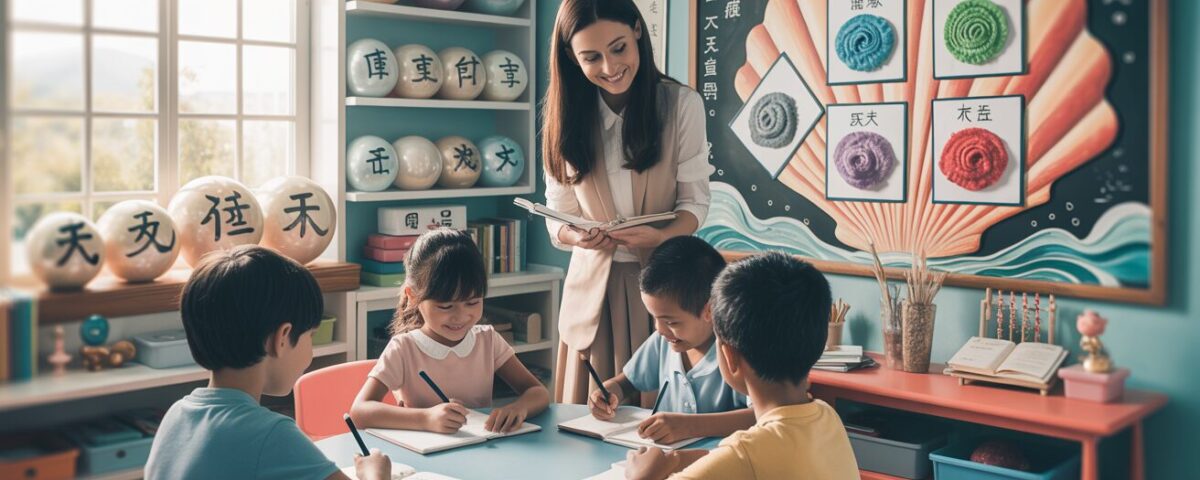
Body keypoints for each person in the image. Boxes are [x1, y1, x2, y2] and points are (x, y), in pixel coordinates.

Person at [543, 0, 715, 405]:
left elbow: (695, 206)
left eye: (619, 48)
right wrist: (576, 235)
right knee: (587, 424)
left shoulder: (680, 106)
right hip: (591, 299)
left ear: (638, 30)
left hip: (661, 292)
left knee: (656, 426)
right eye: (591, 57)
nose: (609, 66)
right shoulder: (564, 116)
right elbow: (557, 214)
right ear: (572, 56)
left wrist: (657, 236)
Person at [145, 245, 390, 480]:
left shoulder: (175, 415)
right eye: (310, 337)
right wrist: (374, 473)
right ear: (282, 338)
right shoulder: (271, 434)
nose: (310, 353)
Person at [624, 253, 860, 479]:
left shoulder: (744, 454)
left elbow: (742, 460)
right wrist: (677, 460)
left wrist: (641, 476)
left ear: (730, 356)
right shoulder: (828, 418)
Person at [350, 229, 549, 434]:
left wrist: (518, 408)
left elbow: (537, 392)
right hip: (425, 458)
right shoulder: (404, 349)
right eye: (445, 307)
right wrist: (426, 418)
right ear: (413, 296)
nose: (460, 317)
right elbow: (360, 411)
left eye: (472, 303)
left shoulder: (488, 340)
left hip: (481, 451)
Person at [588, 236, 754, 444]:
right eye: (654, 318)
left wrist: (689, 426)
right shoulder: (663, 341)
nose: (659, 329)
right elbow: (628, 382)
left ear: (710, 310)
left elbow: (761, 416)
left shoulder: (738, 353)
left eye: (671, 322)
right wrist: (609, 391)